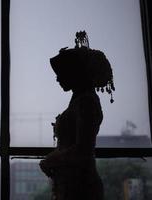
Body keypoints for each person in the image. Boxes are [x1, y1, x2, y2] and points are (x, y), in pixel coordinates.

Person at [39, 31, 114, 200]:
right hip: (74, 183)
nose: (58, 79)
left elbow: (83, 150)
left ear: (75, 73)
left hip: (80, 185)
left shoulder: (86, 102)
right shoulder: (81, 101)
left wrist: (50, 160)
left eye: (62, 73)